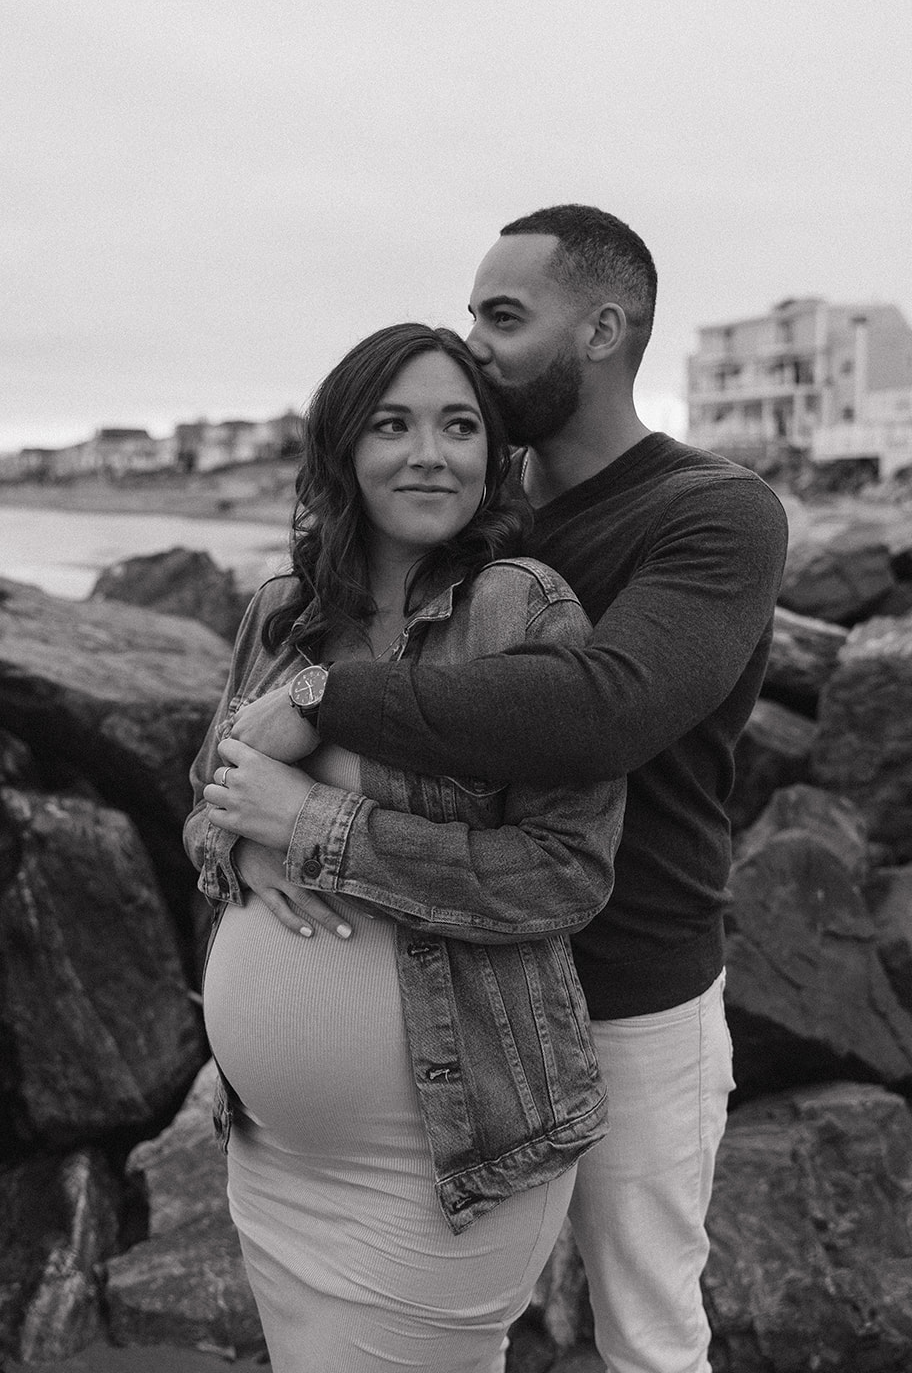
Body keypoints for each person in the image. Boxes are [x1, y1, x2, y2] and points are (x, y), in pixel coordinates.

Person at [230, 206, 790, 1373]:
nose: (471, 343)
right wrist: (239, 833)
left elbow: (597, 710)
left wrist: (326, 701)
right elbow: (267, 733)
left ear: (599, 329)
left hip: (629, 980)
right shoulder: (474, 505)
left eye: (501, 316)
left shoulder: (711, 511)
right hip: (454, 984)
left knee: (644, 1329)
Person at [183, 322, 625, 1373]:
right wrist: (240, 851)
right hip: (272, 1149)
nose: (430, 451)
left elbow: (563, 870)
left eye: (458, 425)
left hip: (442, 1154)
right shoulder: (283, 613)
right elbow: (207, 797)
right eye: (393, 424)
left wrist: (312, 828)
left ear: (491, 455)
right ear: (342, 448)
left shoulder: (522, 608)